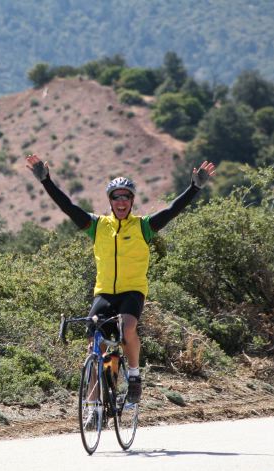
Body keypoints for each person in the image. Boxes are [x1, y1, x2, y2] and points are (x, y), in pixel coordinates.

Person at [25, 154, 215, 403]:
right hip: (104, 292)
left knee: (126, 330)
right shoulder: (98, 225)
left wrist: (194, 188)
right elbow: (68, 206)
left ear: (132, 200)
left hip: (132, 291)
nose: (121, 201)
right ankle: (93, 405)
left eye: (126, 196)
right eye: (116, 197)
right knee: (95, 343)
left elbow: (172, 210)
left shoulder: (143, 226)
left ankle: (134, 377)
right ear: (110, 201)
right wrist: (46, 181)